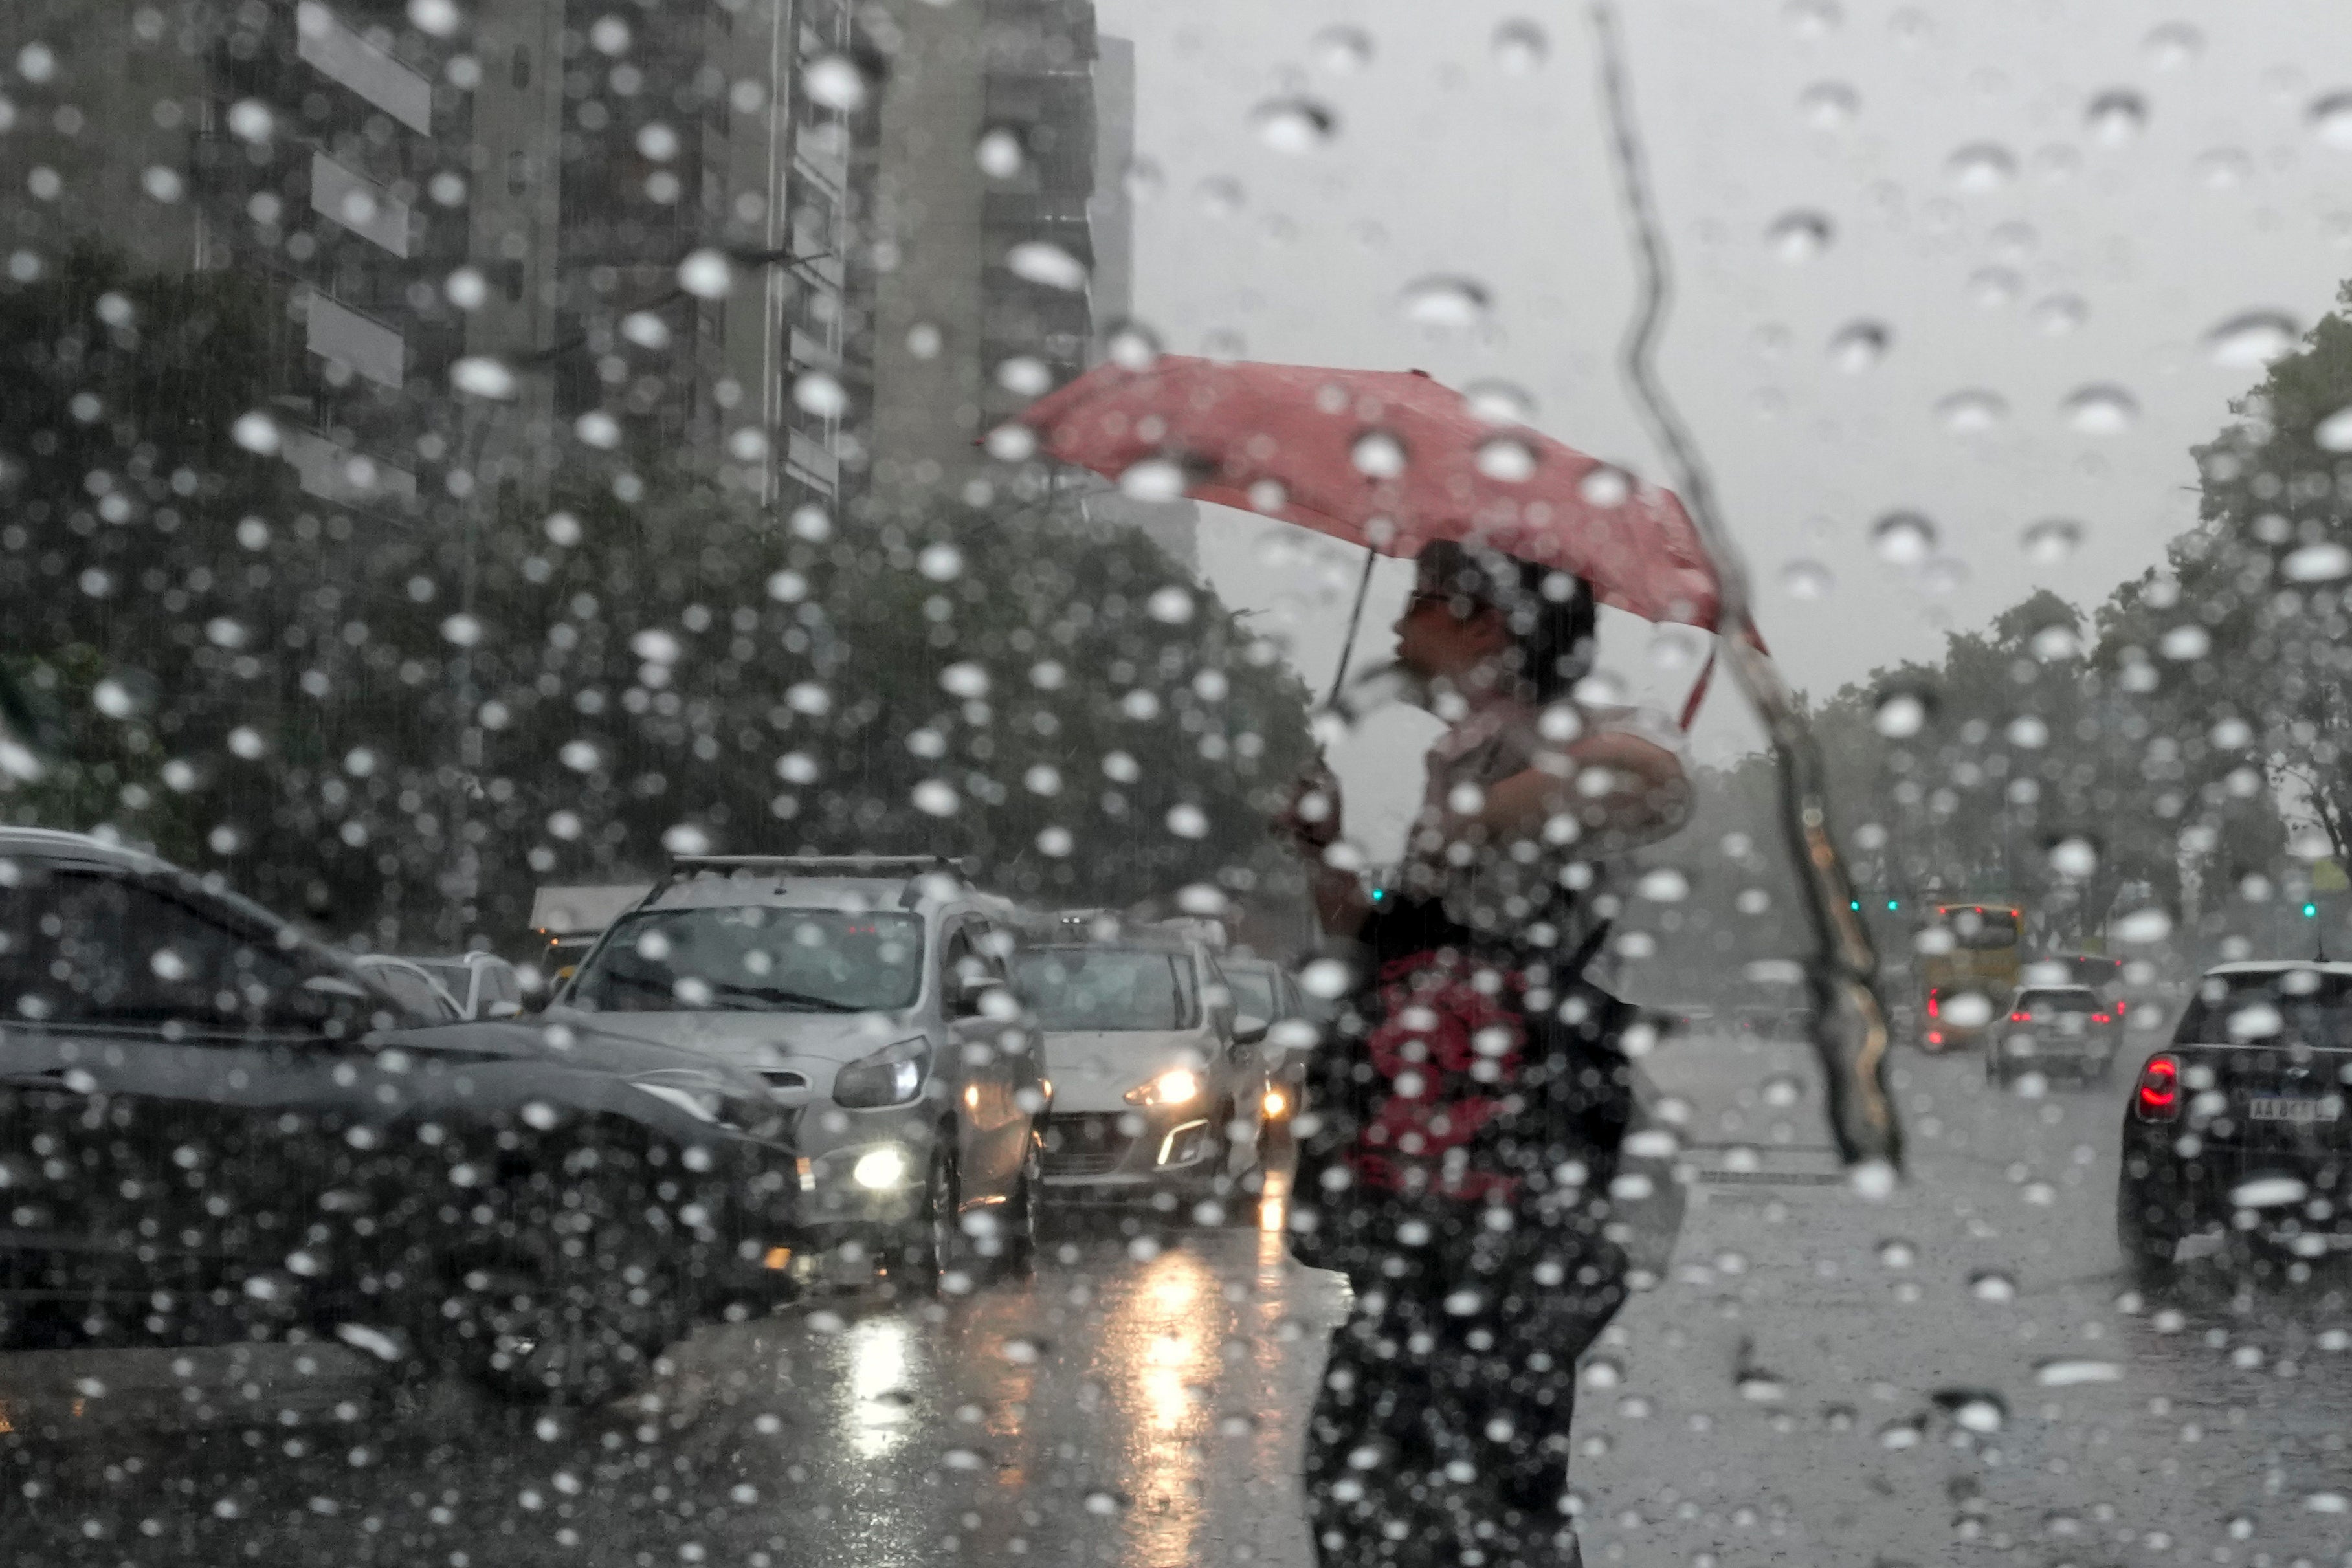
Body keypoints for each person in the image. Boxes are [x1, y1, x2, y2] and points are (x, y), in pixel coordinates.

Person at [1275, 539, 1691, 1568]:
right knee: (1369, 1474)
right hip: (1425, 1182)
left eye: (1417, 600)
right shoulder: (1460, 752)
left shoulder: (1561, 735)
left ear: (1483, 621)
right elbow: (1383, 946)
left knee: (1486, 1489)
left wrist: (1482, 814)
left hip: (1516, 1186)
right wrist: (1324, 852)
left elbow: (1657, 780)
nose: (1393, 624)